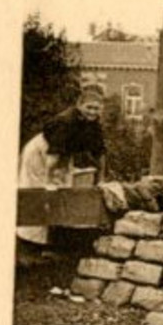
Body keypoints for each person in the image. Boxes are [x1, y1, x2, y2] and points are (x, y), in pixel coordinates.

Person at [17, 82, 107, 247]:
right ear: (79, 105)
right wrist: (51, 180)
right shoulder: (66, 122)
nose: (92, 112)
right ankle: (29, 241)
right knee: (37, 189)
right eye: (89, 107)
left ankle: (52, 239)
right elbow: (54, 156)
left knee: (63, 189)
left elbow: (100, 153)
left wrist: (101, 179)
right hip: (42, 151)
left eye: (96, 108)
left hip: (63, 153)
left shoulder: (94, 125)